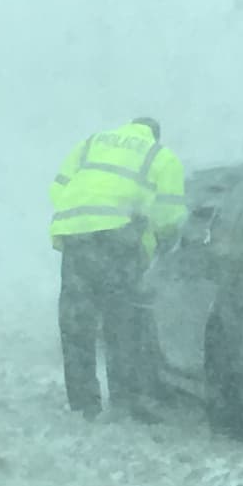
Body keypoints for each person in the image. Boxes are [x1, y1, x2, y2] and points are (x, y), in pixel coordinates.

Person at [49, 117, 187, 420]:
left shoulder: (92, 142)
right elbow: (169, 214)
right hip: (120, 242)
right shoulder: (160, 156)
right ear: (155, 133)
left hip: (77, 238)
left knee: (76, 323)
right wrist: (161, 244)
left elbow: (59, 188)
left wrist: (83, 222)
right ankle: (124, 401)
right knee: (122, 324)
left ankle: (84, 406)